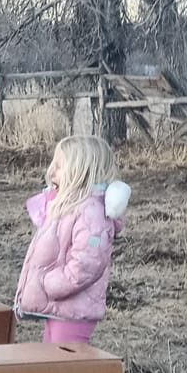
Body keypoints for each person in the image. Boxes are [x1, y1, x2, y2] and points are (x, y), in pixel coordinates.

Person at [14, 135, 130, 345]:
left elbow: (87, 265)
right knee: (53, 363)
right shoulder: (70, 206)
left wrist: (50, 284)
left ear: (80, 171)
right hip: (61, 307)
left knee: (66, 368)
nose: (51, 172)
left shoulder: (92, 214)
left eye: (59, 166)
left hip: (73, 308)